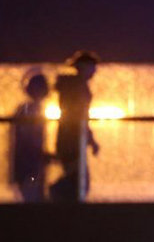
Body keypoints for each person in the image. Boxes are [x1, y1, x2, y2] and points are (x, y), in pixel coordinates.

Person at [50, 51, 100, 202]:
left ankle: (59, 198)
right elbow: (79, 116)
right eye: (92, 68)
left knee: (77, 179)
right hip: (72, 139)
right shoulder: (77, 87)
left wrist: (89, 139)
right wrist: (91, 140)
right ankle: (56, 196)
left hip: (69, 138)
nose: (94, 72)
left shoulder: (72, 86)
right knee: (78, 180)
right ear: (83, 67)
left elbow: (79, 116)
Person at [11, 72, 50, 202]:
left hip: (30, 166)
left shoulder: (31, 109)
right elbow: (28, 137)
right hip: (28, 166)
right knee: (33, 201)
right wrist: (40, 154)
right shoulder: (29, 109)